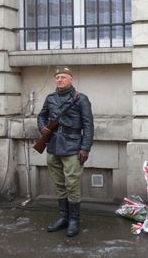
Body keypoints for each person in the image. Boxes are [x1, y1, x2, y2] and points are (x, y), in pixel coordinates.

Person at [37, 66, 94, 237]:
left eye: (63, 77)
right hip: (53, 146)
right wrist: (42, 128)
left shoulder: (81, 99)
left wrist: (85, 148)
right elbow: (41, 116)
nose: (59, 80)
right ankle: (63, 217)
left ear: (71, 79)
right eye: (57, 77)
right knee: (59, 184)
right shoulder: (50, 98)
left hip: (72, 147)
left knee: (72, 184)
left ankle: (74, 219)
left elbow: (88, 125)